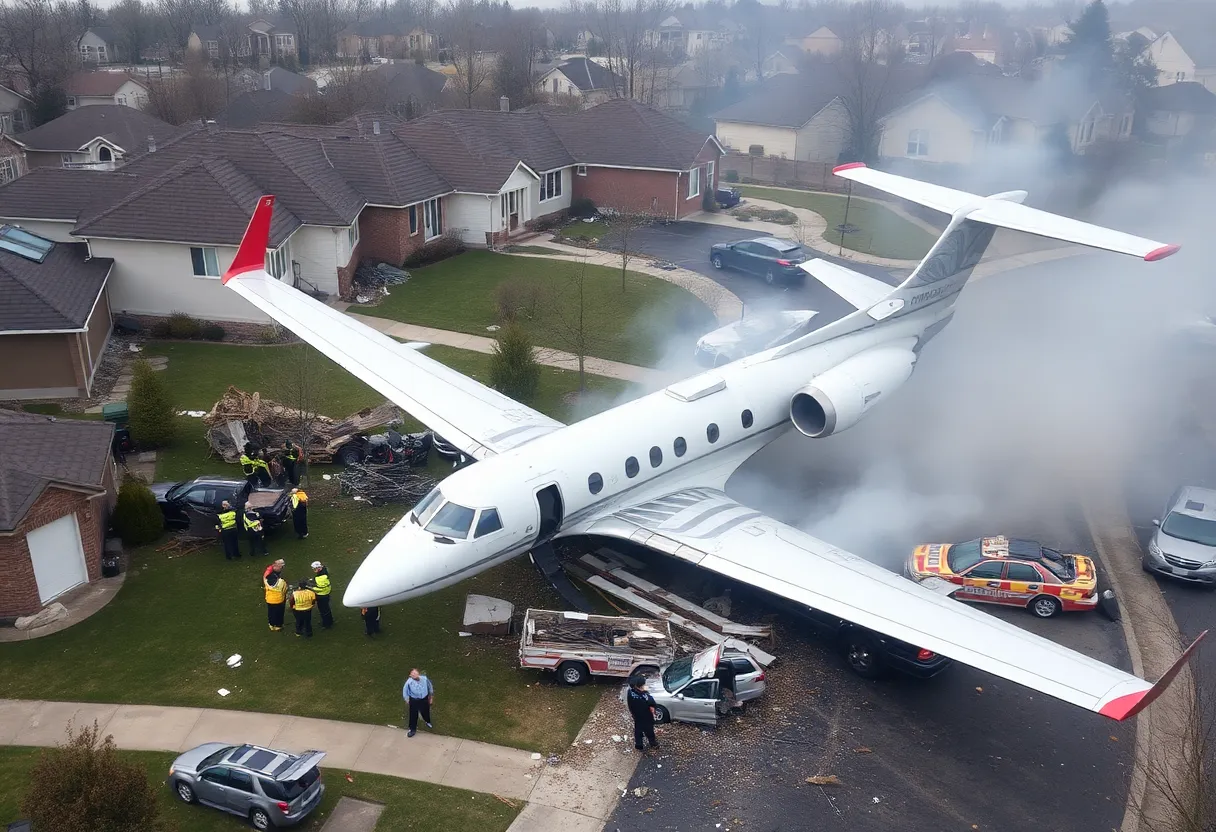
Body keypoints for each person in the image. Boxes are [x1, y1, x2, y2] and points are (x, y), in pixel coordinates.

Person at [627, 676, 659, 751]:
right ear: (640, 686)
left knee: (638, 729)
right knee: (649, 730)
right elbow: (650, 701)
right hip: (645, 716)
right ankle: (652, 743)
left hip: (636, 715)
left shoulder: (631, 692)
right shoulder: (642, 697)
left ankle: (639, 744)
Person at [402, 669, 434, 737]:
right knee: (413, 715)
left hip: (424, 699)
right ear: (410, 675)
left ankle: (427, 721)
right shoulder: (409, 683)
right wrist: (407, 700)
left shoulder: (424, 679)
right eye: (412, 673)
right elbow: (405, 692)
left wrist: (431, 697)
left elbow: (430, 686)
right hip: (414, 700)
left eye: (414, 672)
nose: (414, 674)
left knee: (426, 711)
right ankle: (412, 729)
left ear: (417, 672)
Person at [263, 565, 287, 631]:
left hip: (269, 600)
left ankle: (271, 625)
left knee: (271, 612)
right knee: (279, 613)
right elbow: (285, 589)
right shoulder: (281, 582)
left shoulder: (266, 582)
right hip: (279, 600)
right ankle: (279, 626)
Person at [310, 560, 333, 628]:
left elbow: (318, 587)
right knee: (327, 609)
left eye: (314, 569)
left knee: (323, 611)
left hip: (321, 596)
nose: (314, 570)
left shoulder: (319, 578)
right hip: (326, 594)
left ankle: (326, 624)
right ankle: (330, 621)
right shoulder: (325, 572)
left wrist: (310, 587)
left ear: (318, 568)